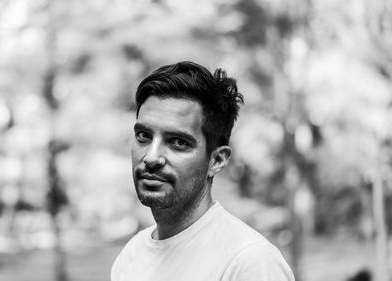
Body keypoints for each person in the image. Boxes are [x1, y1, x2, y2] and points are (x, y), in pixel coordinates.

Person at [111, 61, 295, 281]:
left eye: (177, 142)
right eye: (144, 136)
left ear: (216, 160)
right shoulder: (131, 256)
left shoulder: (249, 263)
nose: (151, 157)